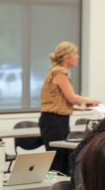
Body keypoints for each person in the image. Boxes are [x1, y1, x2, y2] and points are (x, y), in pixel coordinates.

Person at [39, 41, 99, 174]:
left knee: (63, 158)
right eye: (75, 54)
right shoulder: (59, 72)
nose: (78, 57)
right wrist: (91, 100)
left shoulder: (56, 71)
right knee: (57, 160)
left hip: (57, 120)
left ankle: (60, 185)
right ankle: (54, 186)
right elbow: (71, 97)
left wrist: (83, 108)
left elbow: (61, 101)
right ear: (67, 57)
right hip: (54, 121)